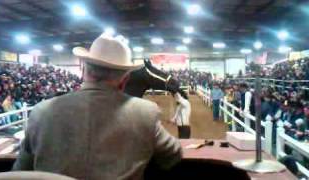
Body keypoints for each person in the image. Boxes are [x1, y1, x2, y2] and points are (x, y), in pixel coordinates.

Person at [13, 33, 182, 180]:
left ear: (83, 72)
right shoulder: (146, 112)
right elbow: (173, 156)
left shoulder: (41, 111)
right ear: (124, 81)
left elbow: (19, 171)